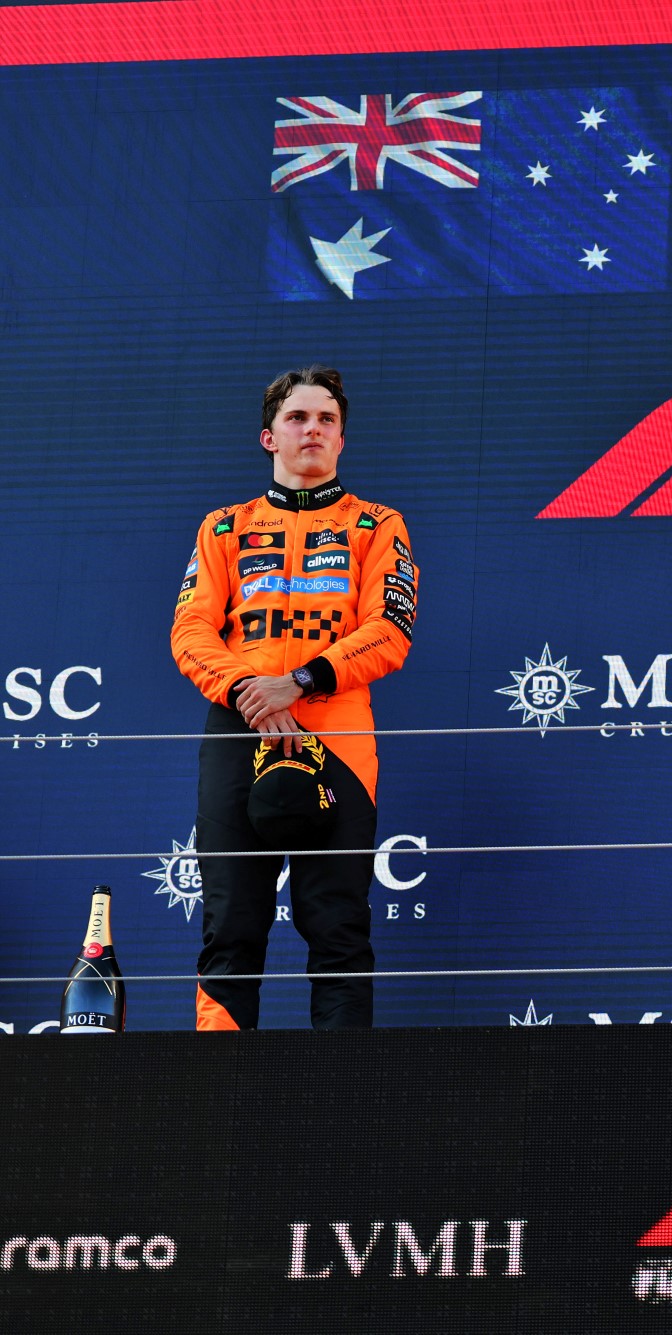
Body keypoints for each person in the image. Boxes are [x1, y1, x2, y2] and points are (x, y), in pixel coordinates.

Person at [171, 367, 417, 1029]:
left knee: (337, 925)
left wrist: (300, 682)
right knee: (232, 926)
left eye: (326, 420)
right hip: (240, 726)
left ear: (341, 440)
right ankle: (218, 1101)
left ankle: (338, 1103)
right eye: (298, 418)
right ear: (268, 437)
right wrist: (252, 690)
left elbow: (388, 632)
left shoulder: (376, 524)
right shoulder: (223, 528)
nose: (312, 429)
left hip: (337, 731)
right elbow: (190, 629)